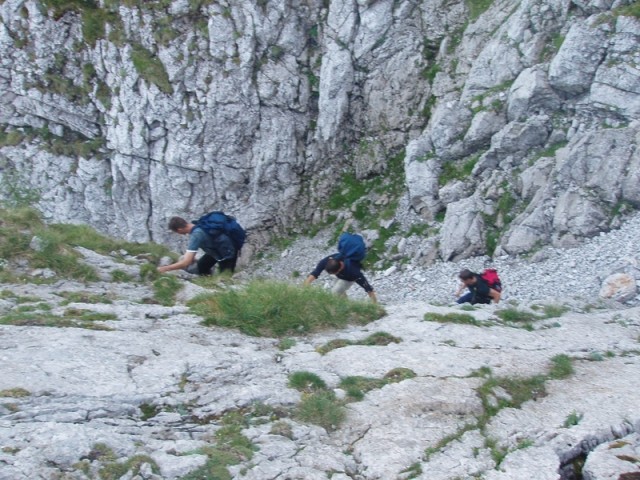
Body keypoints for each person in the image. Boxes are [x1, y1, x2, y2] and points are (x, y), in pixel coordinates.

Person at [157, 216, 237, 275]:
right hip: (216, 249)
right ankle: (207, 282)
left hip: (227, 253)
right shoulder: (196, 223)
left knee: (225, 278)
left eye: (178, 233)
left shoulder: (196, 234)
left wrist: (165, 268)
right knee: (202, 266)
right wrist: (190, 256)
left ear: (179, 230)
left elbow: (186, 263)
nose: (180, 234)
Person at [304, 256, 377, 303]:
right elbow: (315, 273)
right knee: (340, 293)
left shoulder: (353, 271)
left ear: (341, 267)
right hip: (339, 275)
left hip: (348, 278)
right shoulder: (326, 261)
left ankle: (340, 307)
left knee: (334, 293)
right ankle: (346, 304)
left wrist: (374, 304)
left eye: (335, 272)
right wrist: (306, 286)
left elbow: (366, 286)